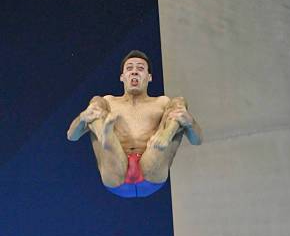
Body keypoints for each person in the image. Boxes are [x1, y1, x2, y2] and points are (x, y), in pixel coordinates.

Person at [67, 50, 202, 197]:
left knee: (178, 102)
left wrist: (189, 121)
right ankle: (105, 136)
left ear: (149, 77)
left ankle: (165, 135)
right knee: (96, 102)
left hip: (152, 167)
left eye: (140, 68)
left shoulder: (162, 103)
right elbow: (71, 136)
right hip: (115, 169)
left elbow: (197, 140)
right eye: (129, 68)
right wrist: (82, 117)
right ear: (122, 77)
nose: (134, 72)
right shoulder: (108, 102)